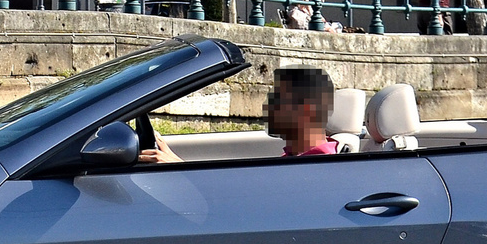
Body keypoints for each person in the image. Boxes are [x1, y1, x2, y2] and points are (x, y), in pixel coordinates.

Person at [139, 66, 338, 164]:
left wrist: (178, 169)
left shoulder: (318, 167)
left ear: (306, 110)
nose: (267, 107)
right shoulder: (296, 157)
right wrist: (179, 166)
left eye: (278, 100)